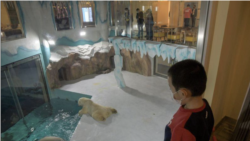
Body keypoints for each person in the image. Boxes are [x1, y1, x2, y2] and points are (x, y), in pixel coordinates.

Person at [164, 59, 214, 141]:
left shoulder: (182, 128)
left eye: (171, 89)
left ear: (183, 94)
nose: (172, 94)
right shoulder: (206, 105)